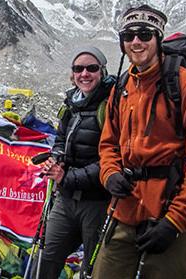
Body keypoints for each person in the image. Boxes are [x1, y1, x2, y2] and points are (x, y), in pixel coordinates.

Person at [92, 5, 186, 279]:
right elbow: (108, 145)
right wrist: (110, 173)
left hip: (171, 213)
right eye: (129, 36)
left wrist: (175, 221)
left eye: (145, 34)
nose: (136, 42)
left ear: (158, 39)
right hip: (125, 211)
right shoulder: (121, 87)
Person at [37, 46, 116, 278]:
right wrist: (57, 159)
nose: (84, 74)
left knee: (92, 270)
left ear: (102, 71)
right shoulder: (71, 103)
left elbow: (112, 159)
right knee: (47, 259)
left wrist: (67, 177)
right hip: (66, 199)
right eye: (78, 68)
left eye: (92, 68)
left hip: (97, 203)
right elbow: (61, 139)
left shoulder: (111, 106)